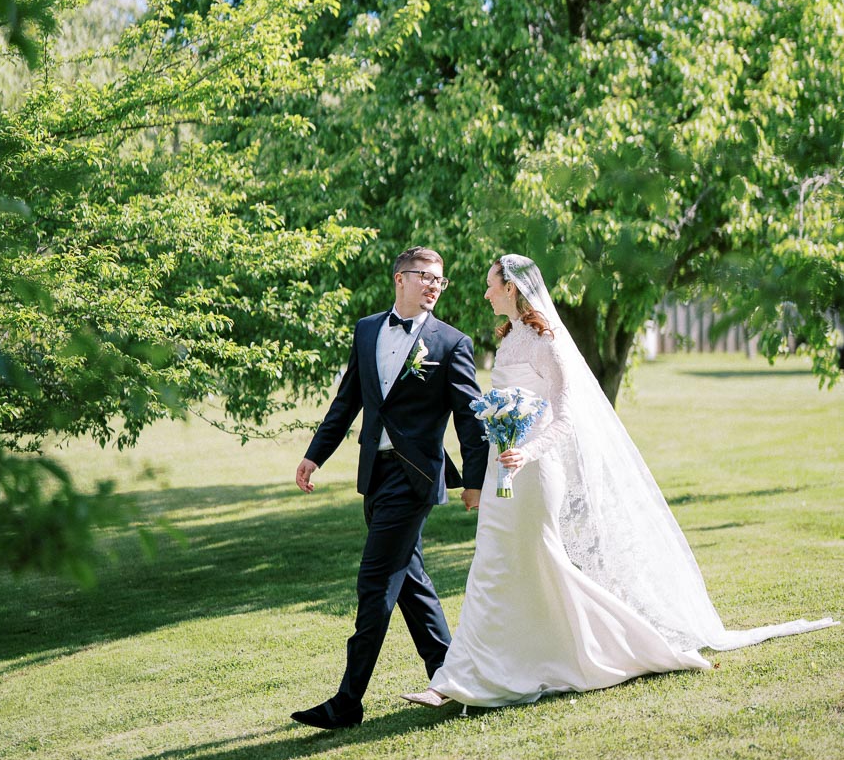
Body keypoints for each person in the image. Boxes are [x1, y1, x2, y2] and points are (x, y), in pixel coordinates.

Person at [404, 254, 837, 709]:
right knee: (492, 565)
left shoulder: (547, 344)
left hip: (534, 471)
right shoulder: (509, 338)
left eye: (491, 284)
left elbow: (564, 419)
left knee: (540, 564)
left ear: (510, 288)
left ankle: (631, 647)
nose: (486, 292)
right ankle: (464, 677)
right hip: (501, 470)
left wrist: (526, 452)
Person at [291, 246, 489, 729]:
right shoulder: (366, 331)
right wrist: (315, 453)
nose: (433, 287)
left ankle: (348, 702)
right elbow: (348, 401)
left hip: (415, 477)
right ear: (400, 278)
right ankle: (450, 678)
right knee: (411, 583)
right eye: (425, 277)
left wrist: (476, 482)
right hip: (374, 476)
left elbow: (470, 417)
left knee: (375, 582)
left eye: (440, 281)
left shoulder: (451, 344)